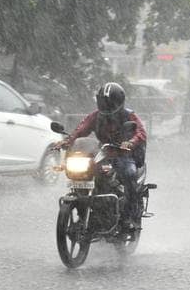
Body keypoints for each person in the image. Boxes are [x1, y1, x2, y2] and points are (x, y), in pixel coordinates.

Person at [57, 82, 147, 231]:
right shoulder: (95, 116)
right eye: (103, 102)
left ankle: (129, 217)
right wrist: (67, 142)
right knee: (87, 172)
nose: (106, 105)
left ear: (119, 101)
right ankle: (88, 210)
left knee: (128, 174)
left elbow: (141, 133)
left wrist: (131, 142)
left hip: (125, 154)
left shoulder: (129, 115)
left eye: (110, 102)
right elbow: (81, 130)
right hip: (105, 152)